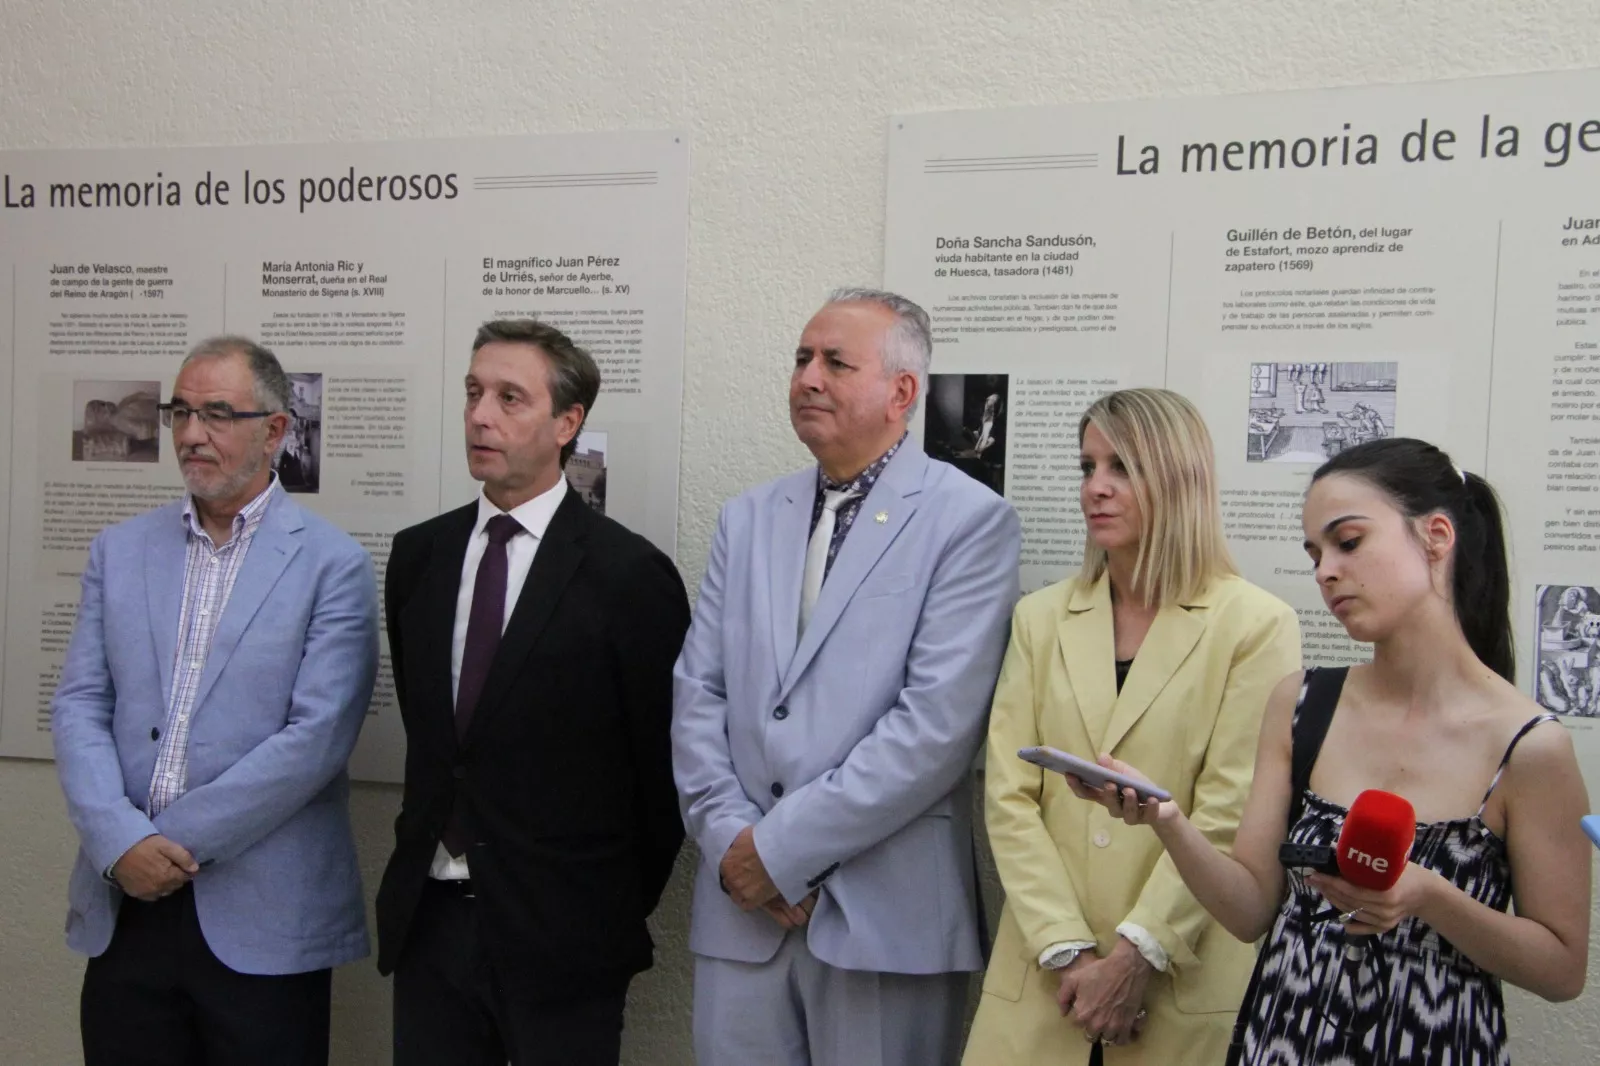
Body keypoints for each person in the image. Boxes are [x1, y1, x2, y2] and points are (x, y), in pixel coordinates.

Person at [1071, 438, 1592, 1065]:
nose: (1324, 571)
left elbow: (1562, 970)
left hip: (1433, 1045)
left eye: (1348, 543)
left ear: (1436, 536)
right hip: (1284, 1037)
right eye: (1315, 553)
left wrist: (1430, 896)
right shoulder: (1302, 703)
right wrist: (1168, 822)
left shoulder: (1530, 746)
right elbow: (1249, 911)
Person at [673, 287, 1021, 1066]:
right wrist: (735, 844)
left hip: (883, 921)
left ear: (903, 392)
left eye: (835, 361)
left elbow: (935, 728)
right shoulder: (747, 518)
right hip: (743, 916)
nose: (808, 377)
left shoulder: (969, 521)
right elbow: (699, 695)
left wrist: (780, 852)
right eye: (802, 358)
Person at [52, 336, 379, 1066]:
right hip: (124, 905)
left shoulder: (334, 565)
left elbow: (317, 738)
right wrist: (121, 842)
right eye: (182, 413)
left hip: (262, 920)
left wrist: (169, 842)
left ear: (274, 430)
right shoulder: (119, 550)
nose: (192, 434)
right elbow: (78, 704)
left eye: (218, 414)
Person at [376, 319, 689, 1066]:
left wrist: (598, 903)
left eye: (510, 398)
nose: (481, 415)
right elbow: (436, 743)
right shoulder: (420, 556)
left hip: (565, 935)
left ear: (567, 422)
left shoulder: (628, 575)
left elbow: (662, 778)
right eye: (474, 393)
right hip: (432, 922)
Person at [963, 388, 1301, 1066]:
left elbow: (1230, 814)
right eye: (1088, 467)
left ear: (1180, 479)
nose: (1097, 488)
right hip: (1045, 978)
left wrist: (1135, 954)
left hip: (1180, 976)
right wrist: (1069, 949)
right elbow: (1009, 796)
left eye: (1123, 467)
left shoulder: (1256, 626)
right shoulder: (1042, 617)